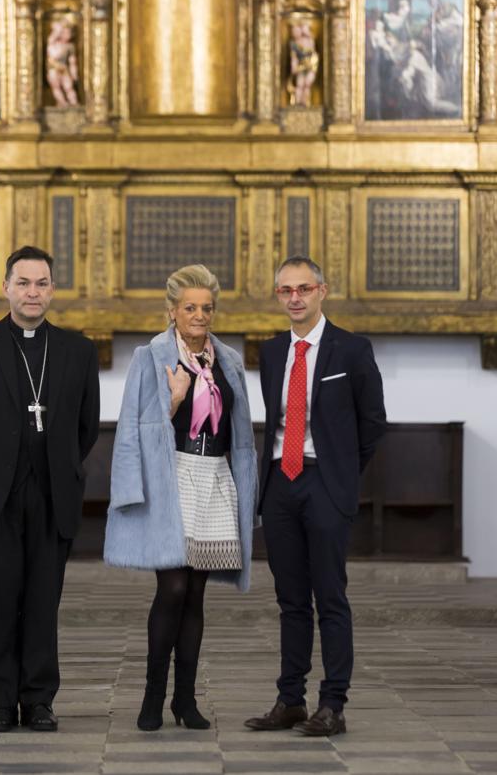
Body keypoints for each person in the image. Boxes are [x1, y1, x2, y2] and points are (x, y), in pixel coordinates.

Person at [0, 246, 99, 733]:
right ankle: (1, 701)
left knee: (44, 600)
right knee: (1, 599)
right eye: (24, 282)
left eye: (42, 283)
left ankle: (40, 700)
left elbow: (85, 427)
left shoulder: (77, 349)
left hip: (52, 494)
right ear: (5, 286)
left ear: (53, 289)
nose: (33, 292)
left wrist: (60, 464)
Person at [104, 264, 258, 732]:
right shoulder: (149, 357)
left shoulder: (227, 360)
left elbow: (241, 431)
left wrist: (247, 491)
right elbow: (132, 425)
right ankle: (152, 697)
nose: (200, 315)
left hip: (213, 477)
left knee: (195, 595)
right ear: (172, 311)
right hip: (170, 476)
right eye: (190, 307)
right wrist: (173, 401)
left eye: (207, 308)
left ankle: (185, 701)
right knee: (170, 588)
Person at [244, 255, 386, 737]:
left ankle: (333, 704)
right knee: (290, 600)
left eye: (304, 288)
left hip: (325, 482)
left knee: (330, 596)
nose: (295, 298)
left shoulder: (351, 349)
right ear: (278, 296)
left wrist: (342, 475)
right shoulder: (270, 351)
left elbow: (372, 423)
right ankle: (290, 701)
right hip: (281, 485)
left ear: (322, 291)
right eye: (286, 290)